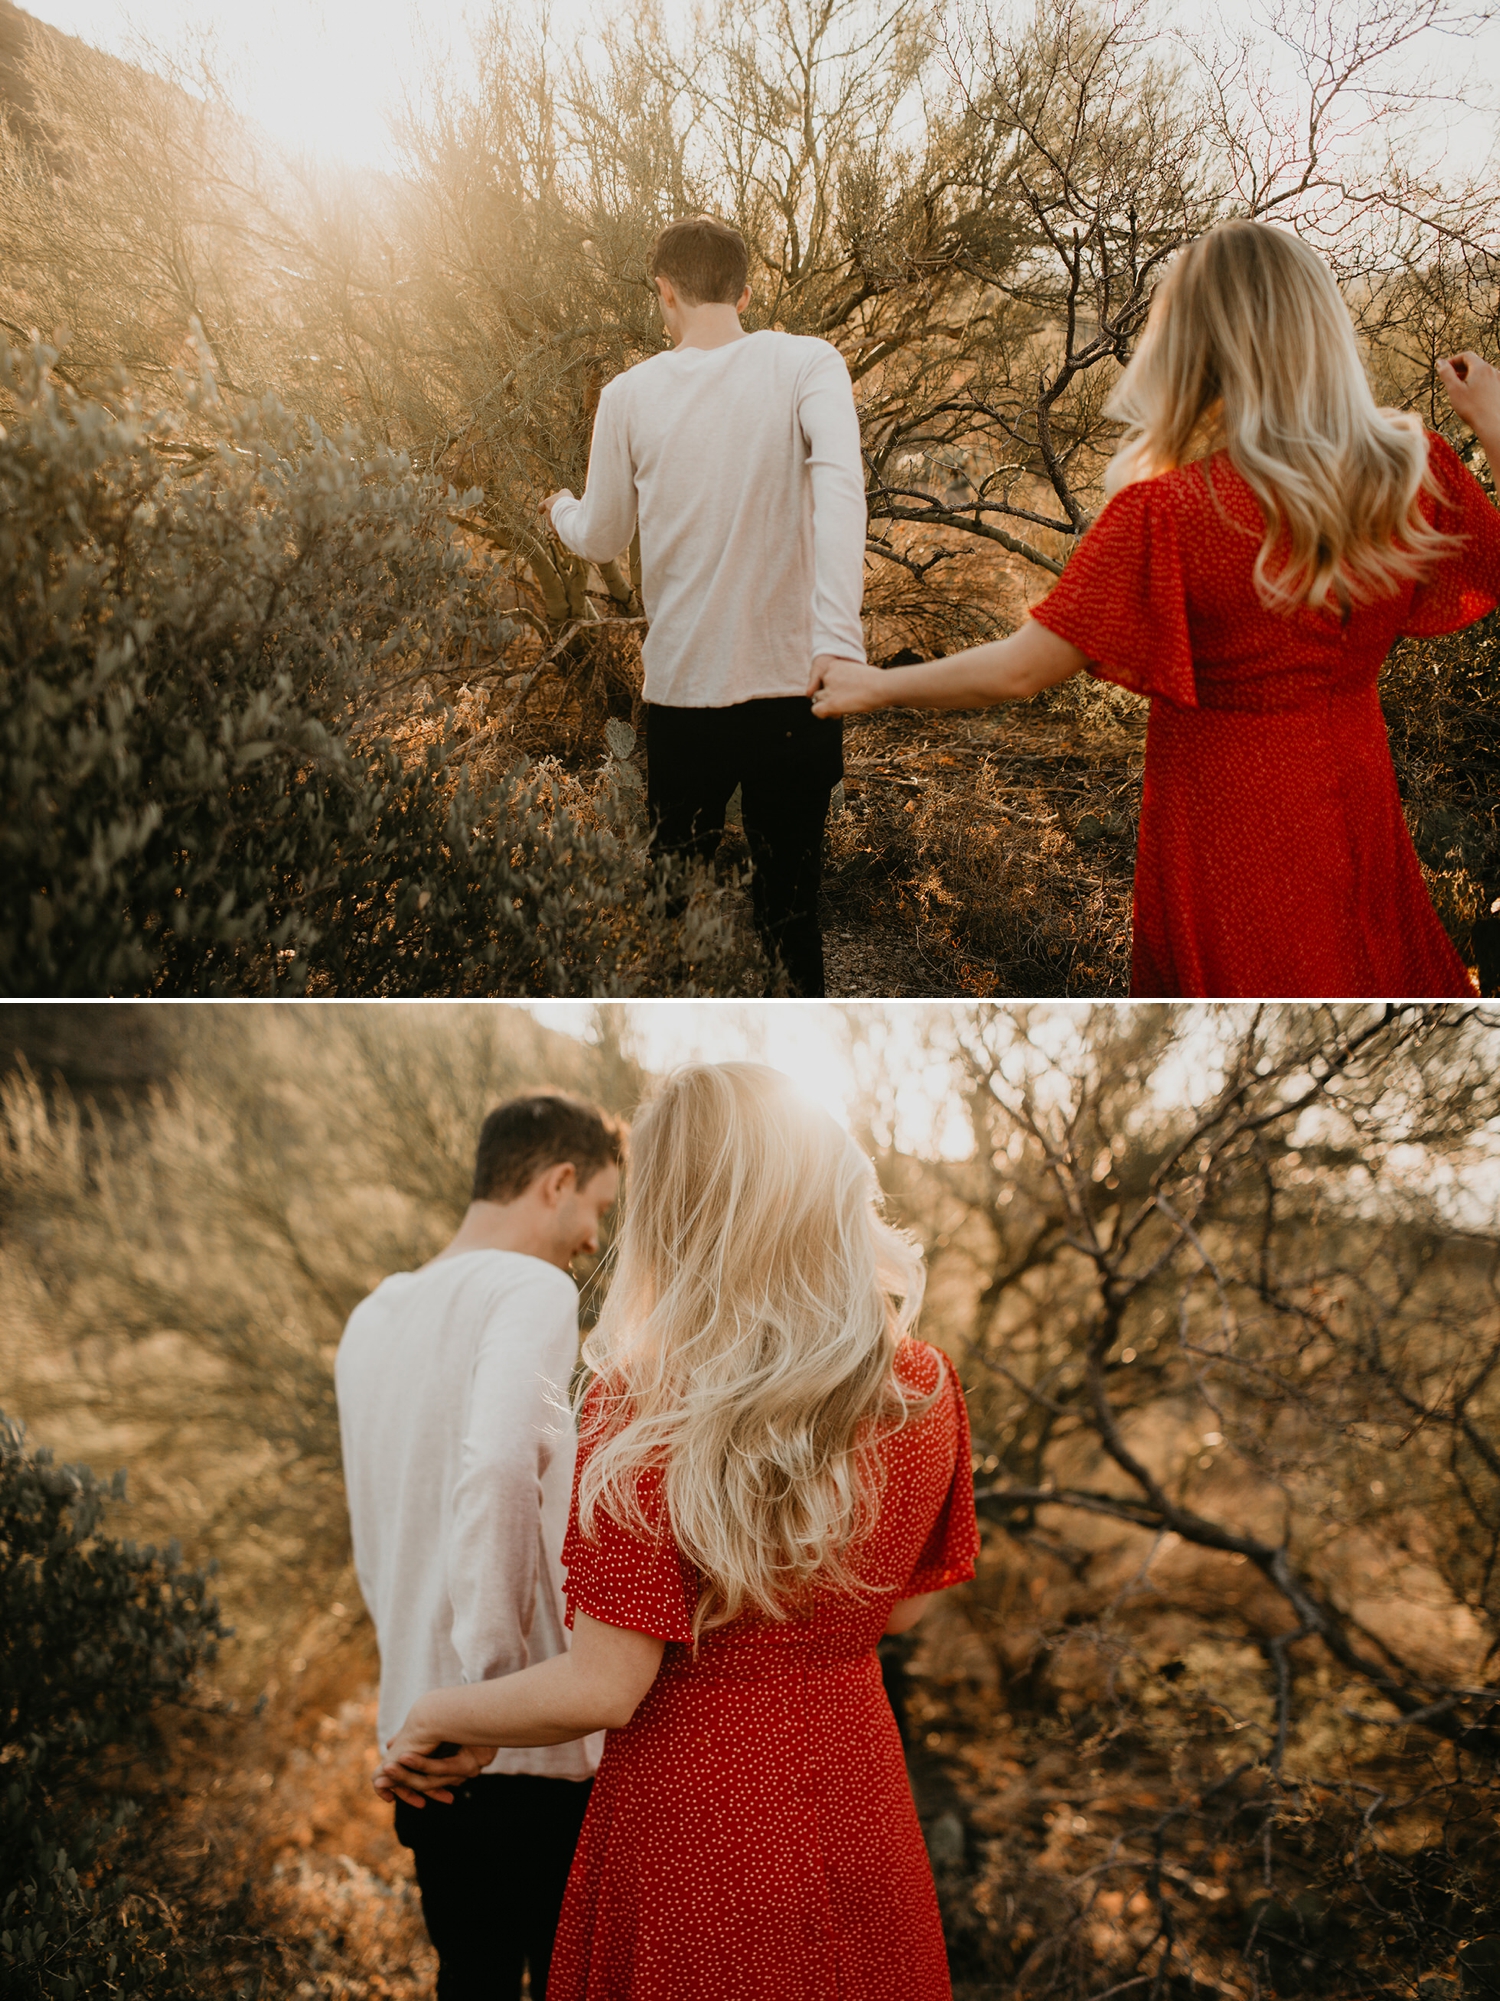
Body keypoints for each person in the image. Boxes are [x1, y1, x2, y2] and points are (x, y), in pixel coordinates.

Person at [374, 1063, 981, 2001]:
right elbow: (896, 1620)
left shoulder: (648, 1402)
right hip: (858, 1798)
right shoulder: (923, 1386)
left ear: (681, 1209)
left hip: (697, 1823)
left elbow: (607, 1684)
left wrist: (438, 1713)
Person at [811, 219, 1500, 1000]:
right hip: (1358, 795)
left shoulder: (1169, 512)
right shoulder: (1411, 470)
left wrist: (874, 685)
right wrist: (1494, 423)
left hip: (1228, 822)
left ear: (1196, 349)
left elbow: (1021, 670)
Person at [335, 1092, 624, 2001]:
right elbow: (502, 1466)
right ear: (558, 1181)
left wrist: (436, 1702)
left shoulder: (371, 1316)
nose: (592, 1237)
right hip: (516, 1744)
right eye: (599, 1208)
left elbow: (377, 1533)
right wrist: (488, 1696)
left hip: (421, 1738)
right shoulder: (530, 1288)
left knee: (471, 1979)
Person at [541, 216, 869, 998]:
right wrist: (838, 635)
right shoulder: (808, 362)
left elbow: (603, 533)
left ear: (666, 292)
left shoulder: (628, 396)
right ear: (745, 290)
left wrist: (557, 510)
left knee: (667, 910)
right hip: (799, 683)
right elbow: (841, 485)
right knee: (791, 914)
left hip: (685, 693)